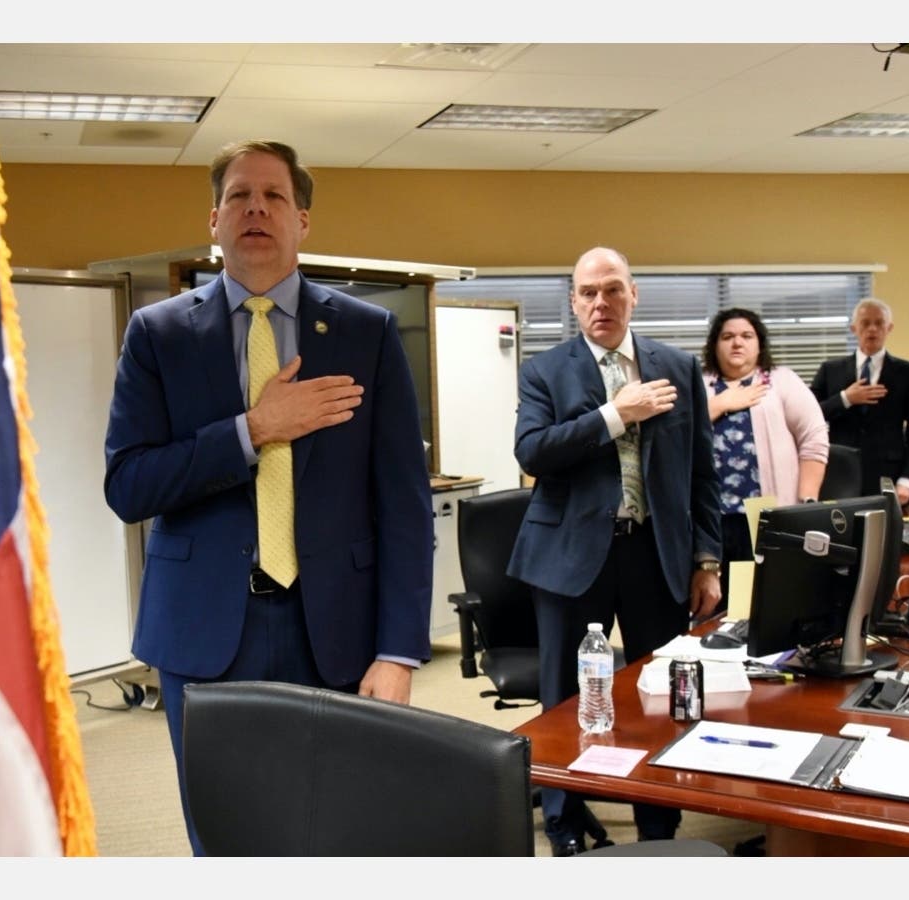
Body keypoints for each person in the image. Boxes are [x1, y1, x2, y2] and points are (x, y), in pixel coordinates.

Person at [102, 140, 433, 856]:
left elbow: (403, 503)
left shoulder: (365, 332)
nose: (257, 208)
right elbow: (128, 486)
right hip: (203, 635)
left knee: (338, 829)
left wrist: (400, 650)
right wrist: (253, 430)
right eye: (241, 196)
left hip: (339, 633)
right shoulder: (157, 335)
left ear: (303, 221)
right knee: (227, 836)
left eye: (275, 196)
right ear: (214, 218)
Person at [507, 247, 722, 855]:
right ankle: (565, 826)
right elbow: (532, 453)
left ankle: (659, 826)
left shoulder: (676, 367)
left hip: (657, 556)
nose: (600, 302)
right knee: (567, 701)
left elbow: (701, 475)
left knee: (659, 697)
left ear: (634, 295)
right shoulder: (545, 370)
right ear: (573, 302)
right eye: (587, 292)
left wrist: (707, 561)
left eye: (612, 290)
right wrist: (613, 415)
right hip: (570, 558)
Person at [702, 307, 829, 605]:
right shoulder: (699, 385)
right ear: (714, 344)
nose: (737, 343)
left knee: (758, 603)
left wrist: (806, 501)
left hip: (764, 514)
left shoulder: (780, 381)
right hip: (710, 517)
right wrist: (721, 403)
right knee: (712, 605)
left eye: (747, 336)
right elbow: (679, 437)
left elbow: (814, 438)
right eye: (727, 336)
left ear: (759, 344)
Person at [810, 298, 909, 505]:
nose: (872, 329)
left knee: (884, 535)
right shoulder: (830, 370)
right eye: (865, 323)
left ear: (889, 328)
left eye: (879, 323)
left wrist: (908, 480)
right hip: (839, 474)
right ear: (854, 328)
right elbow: (810, 416)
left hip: (888, 475)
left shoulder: (908, 373)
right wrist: (846, 398)